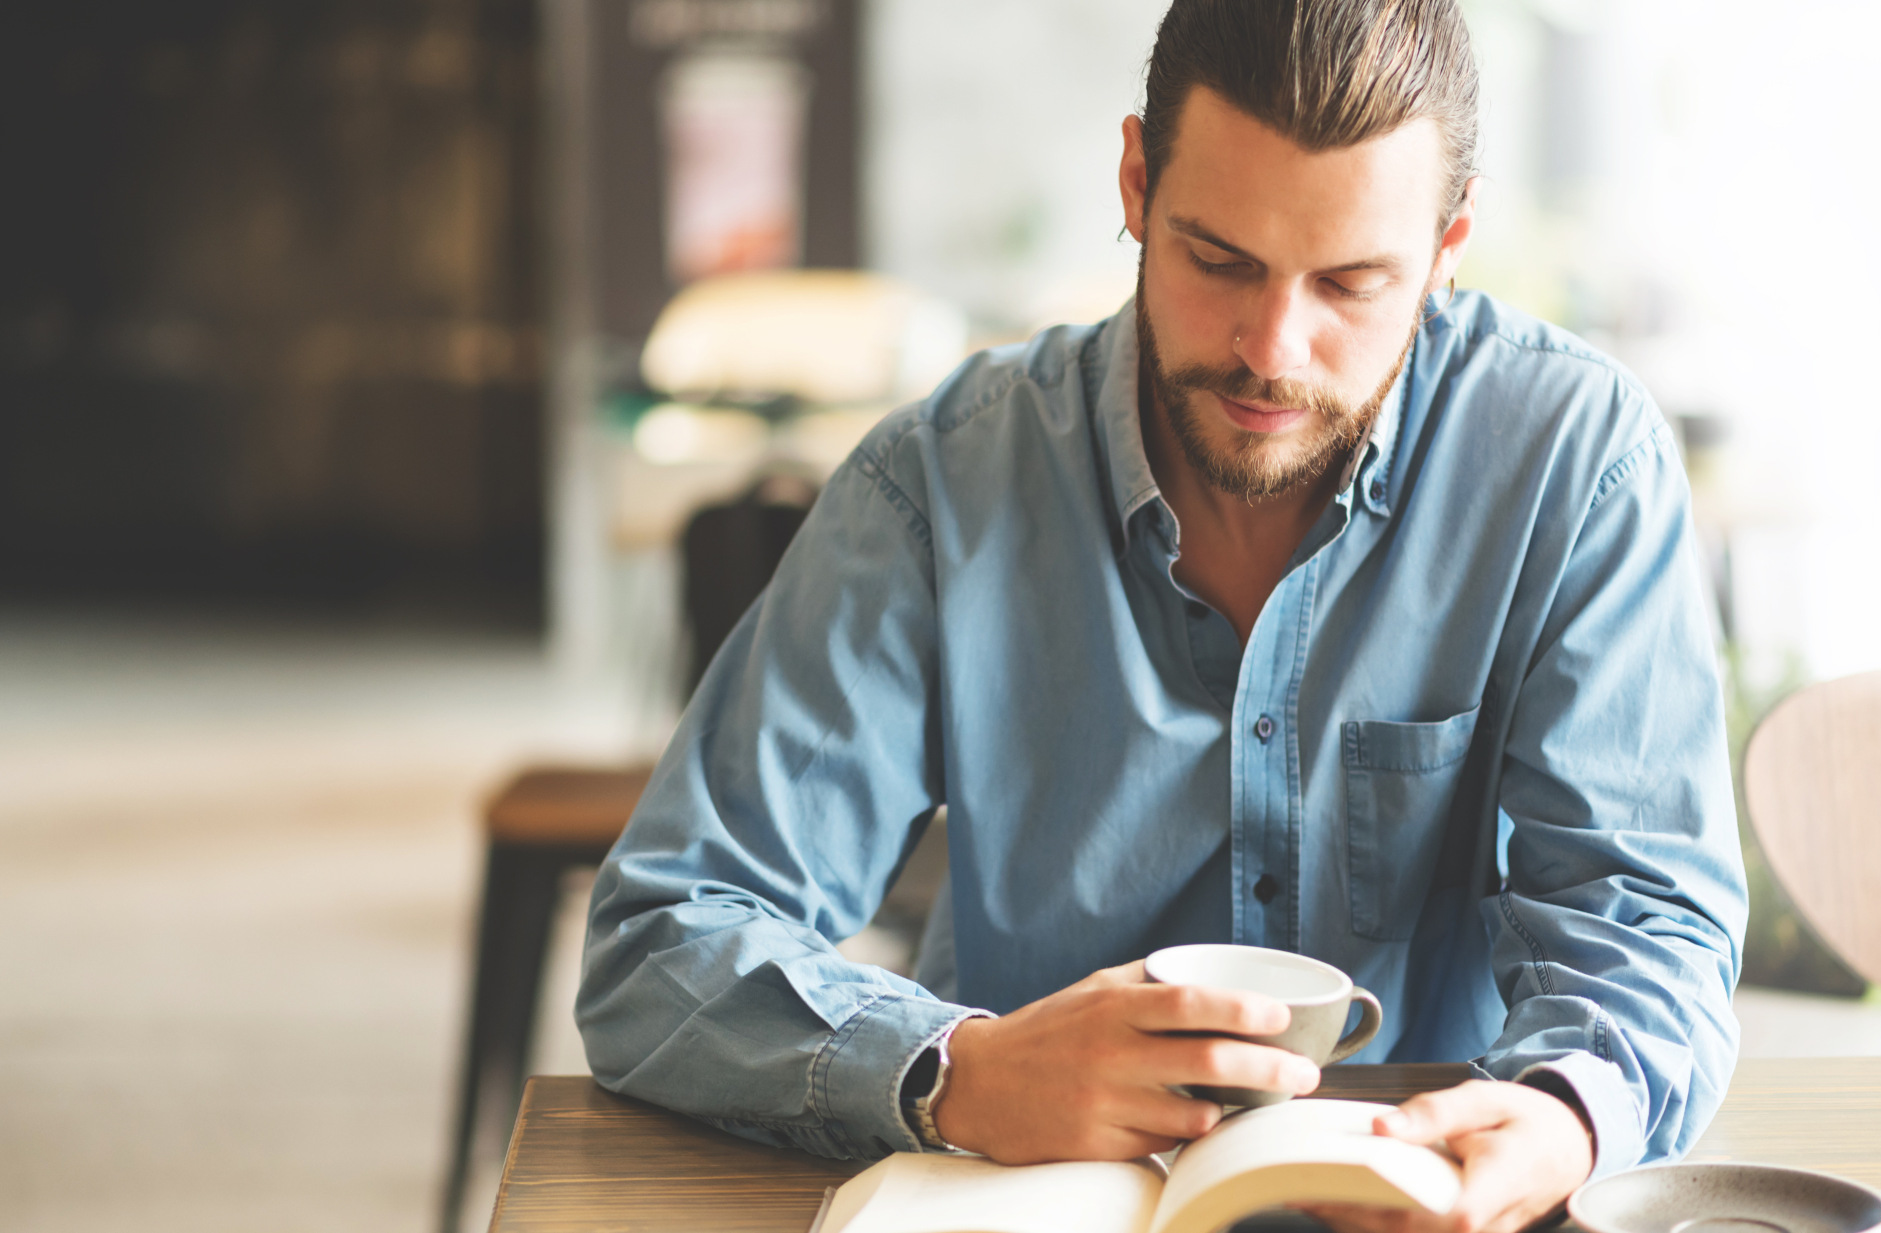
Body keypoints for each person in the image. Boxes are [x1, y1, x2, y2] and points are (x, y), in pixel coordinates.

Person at [576, 2, 1747, 1229]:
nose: (1269, 350)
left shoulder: (1572, 463)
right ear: (1136, 182)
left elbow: (1645, 916)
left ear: (1448, 244)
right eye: (1218, 259)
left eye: (1348, 282)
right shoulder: (942, 485)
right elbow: (664, 935)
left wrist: (1563, 1111)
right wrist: (956, 1075)